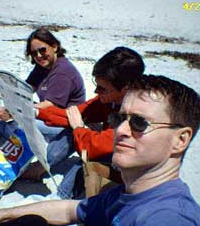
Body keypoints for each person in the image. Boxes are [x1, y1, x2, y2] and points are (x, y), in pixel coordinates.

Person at [0, 75, 200, 226]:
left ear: (180, 140)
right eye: (120, 118)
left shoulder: (169, 221)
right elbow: (71, 210)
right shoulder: (131, 194)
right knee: (30, 224)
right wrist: (1, 215)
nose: (121, 130)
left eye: (139, 123)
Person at [0, 27, 85, 168]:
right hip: (46, 113)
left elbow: (50, 105)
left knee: (12, 121)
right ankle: (22, 135)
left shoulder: (62, 72)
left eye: (42, 50)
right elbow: (26, 89)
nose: (38, 56)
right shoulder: (43, 66)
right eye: (34, 53)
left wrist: (13, 112)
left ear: (54, 47)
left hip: (62, 122)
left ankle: (27, 138)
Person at [32, 46, 145, 197]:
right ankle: (42, 166)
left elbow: (95, 148)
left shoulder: (136, 113)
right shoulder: (111, 99)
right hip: (106, 148)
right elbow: (73, 114)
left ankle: (62, 196)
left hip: (126, 173)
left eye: (102, 88)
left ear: (125, 88)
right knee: (73, 132)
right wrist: (35, 112)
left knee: (88, 156)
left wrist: (79, 127)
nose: (96, 92)